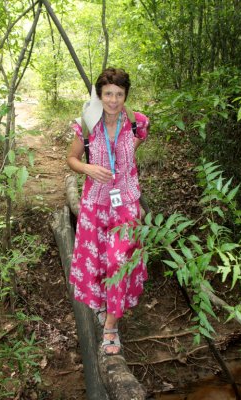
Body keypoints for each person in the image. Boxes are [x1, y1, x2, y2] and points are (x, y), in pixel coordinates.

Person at [67, 67, 149, 355]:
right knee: (101, 262)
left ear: (126, 95)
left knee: (118, 260)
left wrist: (126, 177)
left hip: (125, 203)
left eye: (119, 94)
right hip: (95, 204)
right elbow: (71, 158)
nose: (113, 100)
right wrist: (88, 167)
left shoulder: (136, 123)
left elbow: (136, 146)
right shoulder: (87, 125)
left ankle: (111, 326)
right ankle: (106, 304)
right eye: (108, 94)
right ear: (99, 96)